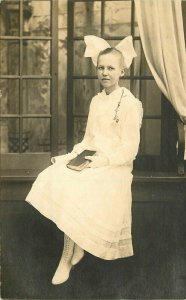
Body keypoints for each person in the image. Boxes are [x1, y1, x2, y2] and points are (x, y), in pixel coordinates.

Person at [25, 35, 143, 285]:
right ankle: (76, 245)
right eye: (101, 67)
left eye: (111, 68)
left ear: (122, 70)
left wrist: (104, 160)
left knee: (79, 187)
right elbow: (89, 139)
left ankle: (67, 256)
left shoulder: (130, 104)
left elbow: (129, 149)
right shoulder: (96, 101)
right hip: (92, 159)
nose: (105, 72)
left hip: (115, 167)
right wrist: (71, 155)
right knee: (55, 175)